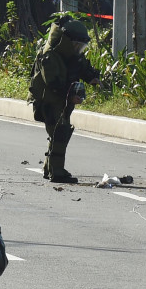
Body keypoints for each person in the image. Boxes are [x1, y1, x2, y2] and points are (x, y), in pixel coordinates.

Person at [27, 16, 100, 184]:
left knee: (59, 134)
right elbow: (53, 83)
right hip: (49, 102)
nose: (78, 49)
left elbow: (81, 66)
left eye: (81, 46)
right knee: (59, 133)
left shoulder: (70, 54)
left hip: (63, 101)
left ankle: (49, 168)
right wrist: (70, 95)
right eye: (76, 45)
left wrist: (91, 78)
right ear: (66, 41)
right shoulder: (50, 56)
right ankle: (57, 172)